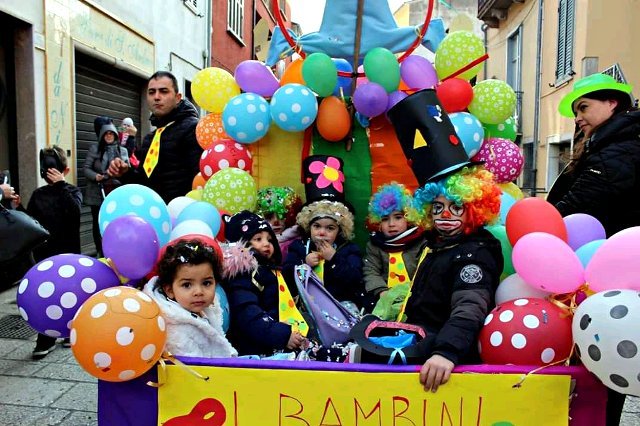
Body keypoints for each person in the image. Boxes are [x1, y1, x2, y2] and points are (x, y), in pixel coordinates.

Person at [547, 72, 640, 426]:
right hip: (607, 269)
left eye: (583, 107)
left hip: (608, 274)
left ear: (611, 103)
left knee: (603, 355)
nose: (578, 117)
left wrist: (542, 220)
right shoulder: (610, 144)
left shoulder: (619, 151)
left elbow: (580, 203)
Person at [221, 210, 308, 356]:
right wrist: (282, 335)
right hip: (257, 346)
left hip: (275, 335)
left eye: (269, 239)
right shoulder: (242, 273)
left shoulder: (268, 270)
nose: (266, 244)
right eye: (258, 239)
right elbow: (248, 313)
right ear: (242, 242)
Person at [107, 71, 202, 203]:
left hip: (183, 213)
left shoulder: (193, 129)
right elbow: (144, 182)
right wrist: (125, 173)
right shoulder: (150, 138)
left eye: (164, 91)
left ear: (178, 97)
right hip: (155, 214)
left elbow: (200, 178)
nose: (156, 97)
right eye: (151, 92)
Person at [282, 155, 364, 305]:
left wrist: (334, 259)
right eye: (317, 226)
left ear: (340, 230)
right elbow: (286, 276)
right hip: (307, 307)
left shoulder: (349, 249)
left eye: (330, 228)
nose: (322, 232)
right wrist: (303, 263)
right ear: (309, 226)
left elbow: (355, 279)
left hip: (340, 306)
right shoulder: (299, 247)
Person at [27, 146, 82, 359]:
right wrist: (18, 207)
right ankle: (46, 337)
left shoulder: (72, 191)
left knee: (71, 293)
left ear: (65, 170)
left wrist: (61, 186)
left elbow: (75, 213)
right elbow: (32, 223)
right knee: (47, 296)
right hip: (45, 254)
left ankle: (70, 331)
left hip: (68, 253)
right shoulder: (38, 194)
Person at [143, 239, 237, 358]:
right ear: (170, 290)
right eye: (187, 285)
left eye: (206, 283)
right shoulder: (175, 332)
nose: (199, 292)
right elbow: (193, 371)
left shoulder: (204, 311)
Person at [363, 182, 424, 306]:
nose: (391, 224)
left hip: (416, 297)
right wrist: (381, 291)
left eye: (398, 217)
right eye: (385, 219)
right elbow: (371, 270)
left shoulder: (420, 241)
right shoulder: (375, 244)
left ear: (409, 217)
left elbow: (426, 270)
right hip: (386, 298)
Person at [83, 120, 130, 256]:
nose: (109, 136)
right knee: (98, 222)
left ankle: (116, 249)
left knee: (117, 221)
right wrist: (95, 176)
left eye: (112, 134)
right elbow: (86, 168)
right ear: (102, 135)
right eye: (106, 134)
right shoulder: (95, 149)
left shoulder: (122, 151)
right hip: (97, 192)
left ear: (116, 135)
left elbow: (128, 168)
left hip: (116, 191)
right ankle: (100, 250)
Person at [255, 186, 303, 260]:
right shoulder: (252, 243)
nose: (276, 222)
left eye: (282, 216)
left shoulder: (297, 244)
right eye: (269, 216)